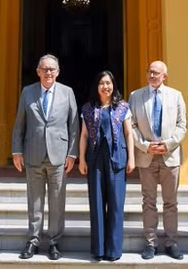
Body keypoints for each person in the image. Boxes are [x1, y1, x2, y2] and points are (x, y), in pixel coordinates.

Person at [12, 54, 79, 260]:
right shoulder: (28, 91)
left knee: (57, 201)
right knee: (35, 200)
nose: (48, 72)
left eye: (52, 69)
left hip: (59, 155)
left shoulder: (67, 92)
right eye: (44, 69)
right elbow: (19, 123)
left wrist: (72, 153)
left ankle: (54, 242)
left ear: (58, 72)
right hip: (33, 153)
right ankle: (33, 240)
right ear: (38, 71)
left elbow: (74, 126)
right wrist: (17, 151)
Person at [128, 60, 187, 260]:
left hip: (170, 156)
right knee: (149, 201)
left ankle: (171, 242)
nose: (152, 75)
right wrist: (145, 145)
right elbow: (132, 126)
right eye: (150, 72)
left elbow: (182, 125)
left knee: (171, 202)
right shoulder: (136, 96)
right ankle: (150, 243)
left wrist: (169, 143)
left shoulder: (176, 95)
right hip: (146, 156)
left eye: (156, 73)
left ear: (165, 76)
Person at [78, 70, 135, 261]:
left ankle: (114, 250)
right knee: (97, 203)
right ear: (97, 86)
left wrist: (132, 158)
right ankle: (99, 249)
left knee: (116, 205)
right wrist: (82, 159)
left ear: (114, 85)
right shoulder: (88, 108)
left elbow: (129, 134)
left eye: (109, 83)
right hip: (95, 159)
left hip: (117, 157)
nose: (106, 86)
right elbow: (84, 135)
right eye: (102, 83)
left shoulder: (123, 107)